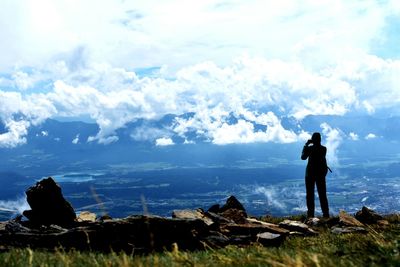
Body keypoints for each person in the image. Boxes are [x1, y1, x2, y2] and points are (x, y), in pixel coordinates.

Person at [301, 132, 330, 218]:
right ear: (320, 139)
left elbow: (303, 157)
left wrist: (306, 144)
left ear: (312, 140)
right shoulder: (324, 149)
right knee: (322, 195)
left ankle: (310, 215)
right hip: (320, 174)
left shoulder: (310, 149)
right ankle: (326, 214)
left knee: (310, 195)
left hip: (310, 174)